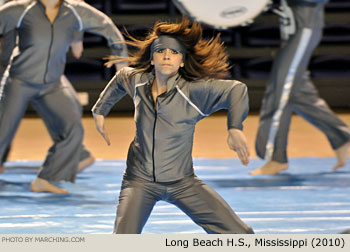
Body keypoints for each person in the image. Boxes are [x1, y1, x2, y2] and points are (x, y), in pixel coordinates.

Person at [92, 17, 254, 234]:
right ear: (151, 59)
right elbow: (122, 76)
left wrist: (235, 128)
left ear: (182, 62)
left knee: (241, 235)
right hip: (139, 183)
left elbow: (237, 89)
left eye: (174, 52)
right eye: (160, 51)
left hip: (183, 183)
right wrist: (100, 110)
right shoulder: (138, 81)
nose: (167, 55)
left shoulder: (193, 92)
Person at [0, 0, 128, 193]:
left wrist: (120, 57)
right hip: (19, 81)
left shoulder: (74, 11)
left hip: (53, 83)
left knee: (73, 130)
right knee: (2, 132)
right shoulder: (20, 9)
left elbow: (105, 25)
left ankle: (47, 178)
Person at [250, 0, 350, 175]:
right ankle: (341, 136)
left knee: (280, 89)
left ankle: (275, 157)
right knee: (299, 92)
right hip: (294, 29)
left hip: (304, 28)